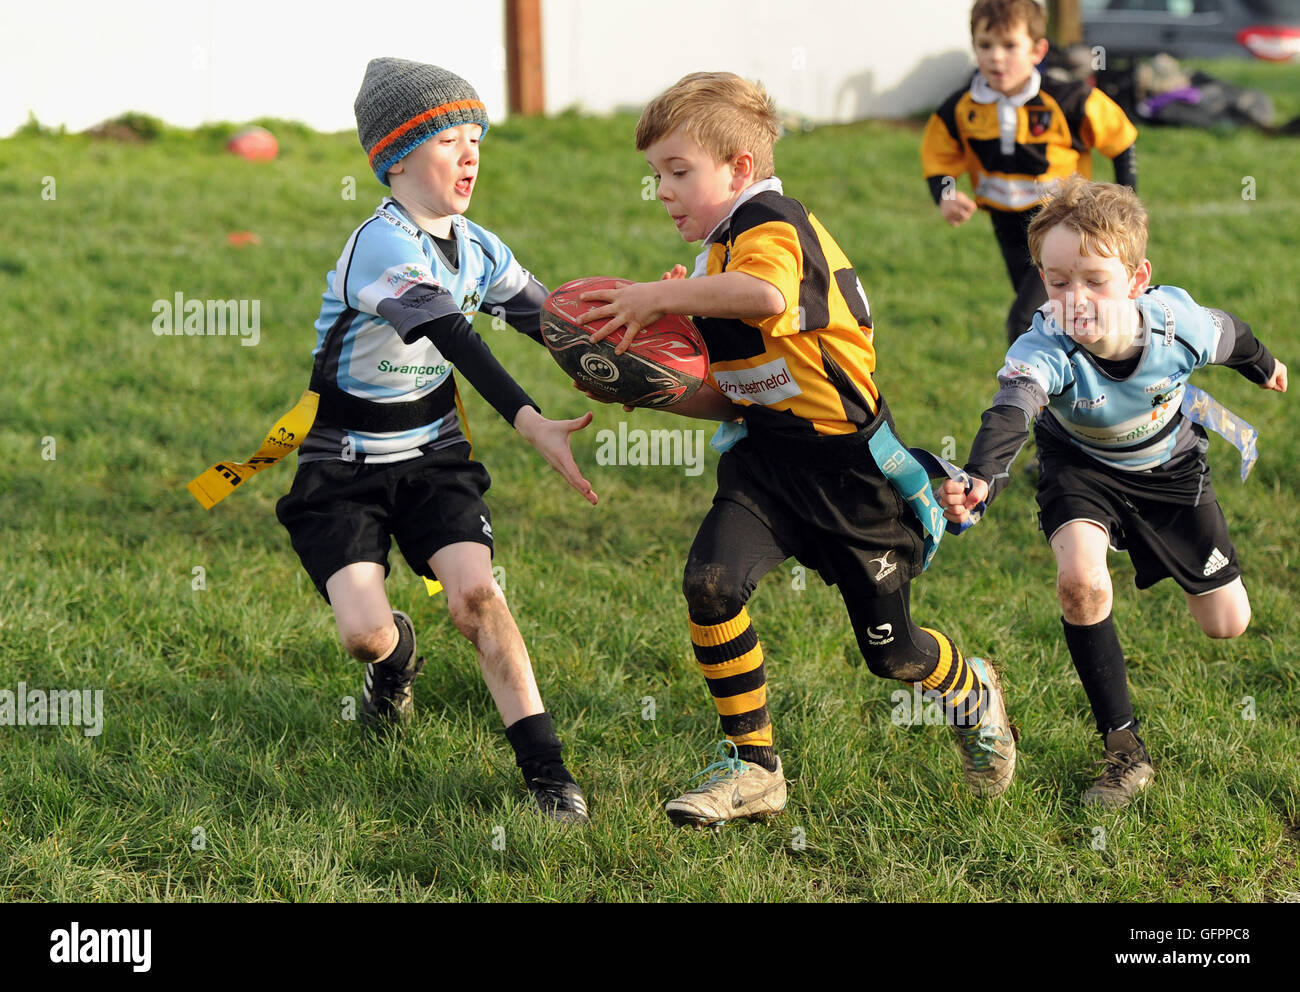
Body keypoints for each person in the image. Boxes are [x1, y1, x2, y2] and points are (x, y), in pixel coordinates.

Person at [579, 71, 1018, 827]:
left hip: (853, 477)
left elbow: (769, 298)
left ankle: (972, 690)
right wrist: (653, 387)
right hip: (767, 464)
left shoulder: (772, 225)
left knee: (893, 655)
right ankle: (754, 769)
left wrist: (657, 298)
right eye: (656, 175)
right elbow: (739, 394)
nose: (662, 191)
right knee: (711, 584)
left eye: (678, 172)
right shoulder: (718, 259)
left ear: (740, 169)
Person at [275, 58, 596, 823]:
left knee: (479, 599)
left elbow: (552, 322)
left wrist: (647, 321)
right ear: (394, 158)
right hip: (343, 467)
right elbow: (459, 340)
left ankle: (550, 780)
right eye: (448, 139)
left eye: (476, 136)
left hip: (434, 457)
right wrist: (531, 421)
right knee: (362, 633)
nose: (470, 153)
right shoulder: (384, 250)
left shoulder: (479, 247)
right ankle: (394, 662)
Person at [941, 176, 1287, 807]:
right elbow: (1012, 409)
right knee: (1080, 582)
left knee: (1228, 625)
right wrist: (981, 478)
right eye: (1056, 280)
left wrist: (1265, 367)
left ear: (1135, 278)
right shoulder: (1043, 344)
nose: (1073, 299)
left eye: (1093, 280)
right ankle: (1124, 751)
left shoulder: (1176, 323)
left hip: (1172, 473)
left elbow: (1232, 334)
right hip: (1081, 469)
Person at [921, 0, 1138, 345]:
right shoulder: (961, 107)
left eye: (1009, 45)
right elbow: (938, 155)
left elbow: (1121, 138)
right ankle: (1078, 380)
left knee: (1026, 320)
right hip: (1005, 223)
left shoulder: (1067, 98)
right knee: (1054, 315)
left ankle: (1025, 390)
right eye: (985, 45)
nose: (996, 57)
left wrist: (1125, 206)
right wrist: (946, 193)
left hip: (1061, 221)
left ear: (1038, 50)